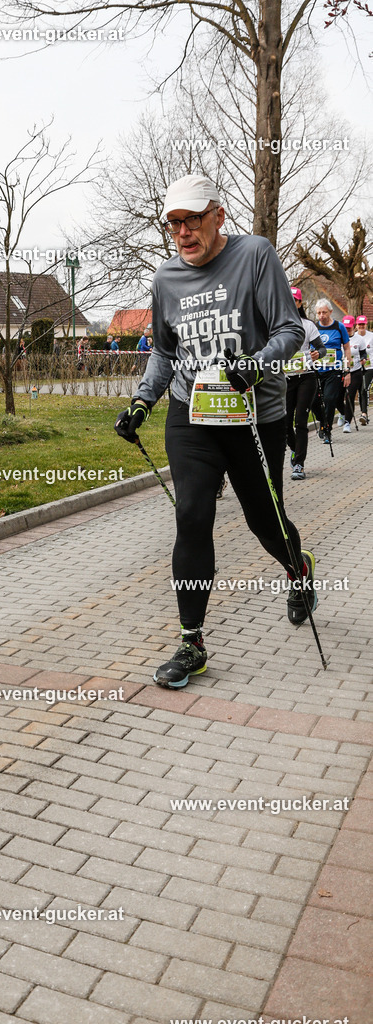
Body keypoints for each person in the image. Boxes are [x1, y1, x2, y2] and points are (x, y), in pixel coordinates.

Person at [114, 174, 314, 689]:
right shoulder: (165, 280)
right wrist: (142, 401)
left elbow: (290, 330)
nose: (183, 232)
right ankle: (191, 642)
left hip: (252, 414)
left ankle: (297, 568)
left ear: (218, 216)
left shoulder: (255, 255)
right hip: (191, 415)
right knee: (192, 515)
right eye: (174, 223)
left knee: (265, 523)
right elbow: (163, 351)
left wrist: (255, 363)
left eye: (193, 219)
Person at [285, 287, 326, 479]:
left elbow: (322, 348)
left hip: (306, 377)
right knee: (284, 424)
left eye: (295, 300)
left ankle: (299, 464)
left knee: (301, 419)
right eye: (289, 299)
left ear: (300, 303)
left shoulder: (308, 325)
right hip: (284, 378)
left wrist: (318, 353)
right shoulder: (277, 324)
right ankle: (295, 449)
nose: (292, 303)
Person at [314, 300, 351, 443]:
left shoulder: (339, 327)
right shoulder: (314, 327)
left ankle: (328, 430)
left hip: (333, 370)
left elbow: (347, 348)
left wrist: (347, 370)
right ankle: (322, 422)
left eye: (324, 312)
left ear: (330, 312)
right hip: (316, 370)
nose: (321, 316)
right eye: (318, 313)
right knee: (313, 401)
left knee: (330, 399)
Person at [341, 315, 366, 431]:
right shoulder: (338, 337)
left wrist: (363, 359)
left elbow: (363, 353)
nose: (347, 330)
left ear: (353, 327)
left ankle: (347, 422)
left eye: (349, 328)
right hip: (340, 370)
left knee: (349, 395)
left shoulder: (359, 339)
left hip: (355, 371)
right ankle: (342, 413)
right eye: (345, 328)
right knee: (336, 396)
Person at [355, 315, 373, 425]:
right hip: (357, 367)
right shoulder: (354, 337)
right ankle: (364, 415)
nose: (361, 326)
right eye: (359, 324)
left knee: (363, 389)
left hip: (370, 367)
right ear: (356, 325)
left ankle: (364, 414)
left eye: (363, 324)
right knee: (360, 390)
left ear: (366, 325)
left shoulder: (371, 336)